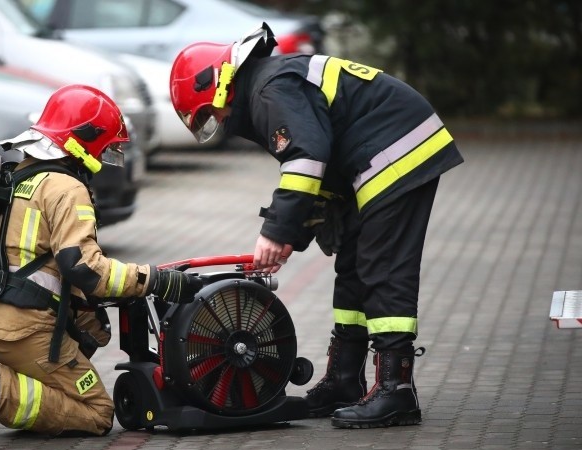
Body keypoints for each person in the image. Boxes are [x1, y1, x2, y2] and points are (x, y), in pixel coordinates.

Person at [169, 24, 463, 429]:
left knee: (382, 267)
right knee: (354, 268)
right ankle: (344, 380)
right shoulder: (267, 86)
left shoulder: (269, 89)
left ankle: (396, 391)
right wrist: (293, 234)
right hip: (374, 154)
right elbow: (317, 170)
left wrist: (276, 232)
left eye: (207, 112)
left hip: (396, 149)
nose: (214, 120)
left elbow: (306, 159)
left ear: (217, 87)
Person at [0, 84, 203, 443]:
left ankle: (8, 383)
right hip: (25, 332)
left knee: (83, 346)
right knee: (97, 412)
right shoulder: (66, 189)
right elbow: (85, 269)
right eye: (105, 149)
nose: (105, 159)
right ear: (82, 141)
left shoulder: (22, 173)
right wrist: (156, 280)